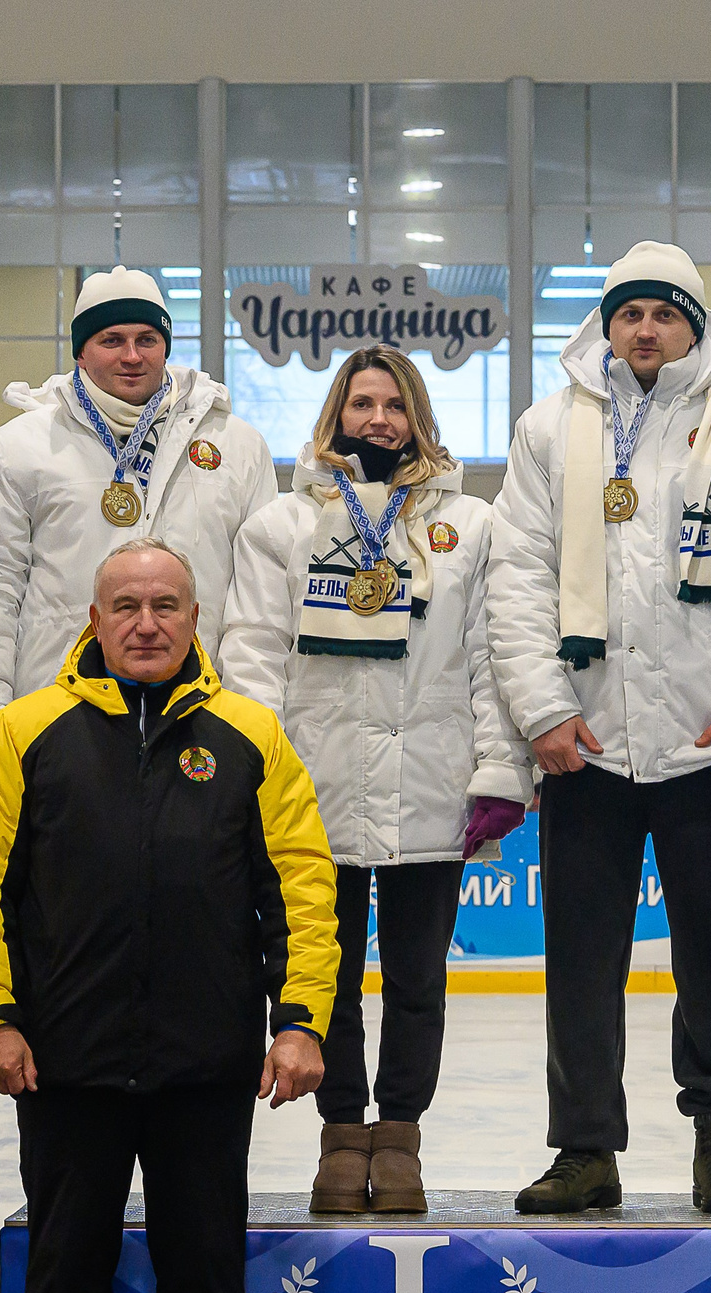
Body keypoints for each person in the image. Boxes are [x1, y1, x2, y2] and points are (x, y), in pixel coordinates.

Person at [0, 538, 337, 1293]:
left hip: (206, 1062)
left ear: (196, 618)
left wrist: (299, 1020)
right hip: (63, 1061)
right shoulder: (24, 733)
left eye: (166, 605)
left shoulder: (251, 735)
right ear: (94, 618)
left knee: (204, 1272)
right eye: (127, 605)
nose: (147, 623)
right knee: (65, 1270)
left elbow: (301, 887)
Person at [484, 240, 711, 1215]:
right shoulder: (550, 428)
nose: (646, 329)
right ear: (606, 325)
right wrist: (544, 709)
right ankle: (584, 1147)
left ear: (694, 325)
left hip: (710, 746)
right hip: (585, 744)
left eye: (664, 313)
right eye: (629, 313)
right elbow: (516, 577)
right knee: (578, 962)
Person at [221, 346, 533, 1213]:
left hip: (431, 787)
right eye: (362, 403)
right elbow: (252, 656)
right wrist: (257, 776)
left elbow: (491, 657)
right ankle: (339, 1135)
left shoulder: (471, 527)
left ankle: (399, 1138)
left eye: (395, 406)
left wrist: (499, 768)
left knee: (417, 981)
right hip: (313, 794)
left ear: (418, 419)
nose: (378, 420)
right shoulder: (281, 527)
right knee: (325, 978)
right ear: (336, 415)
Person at [0, 267, 277, 751]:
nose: (132, 356)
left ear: (166, 346)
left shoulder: (236, 445)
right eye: (112, 340)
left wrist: (253, 721)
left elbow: (260, 601)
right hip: (55, 714)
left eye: (147, 339)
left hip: (200, 716)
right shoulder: (18, 449)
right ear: (80, 351)